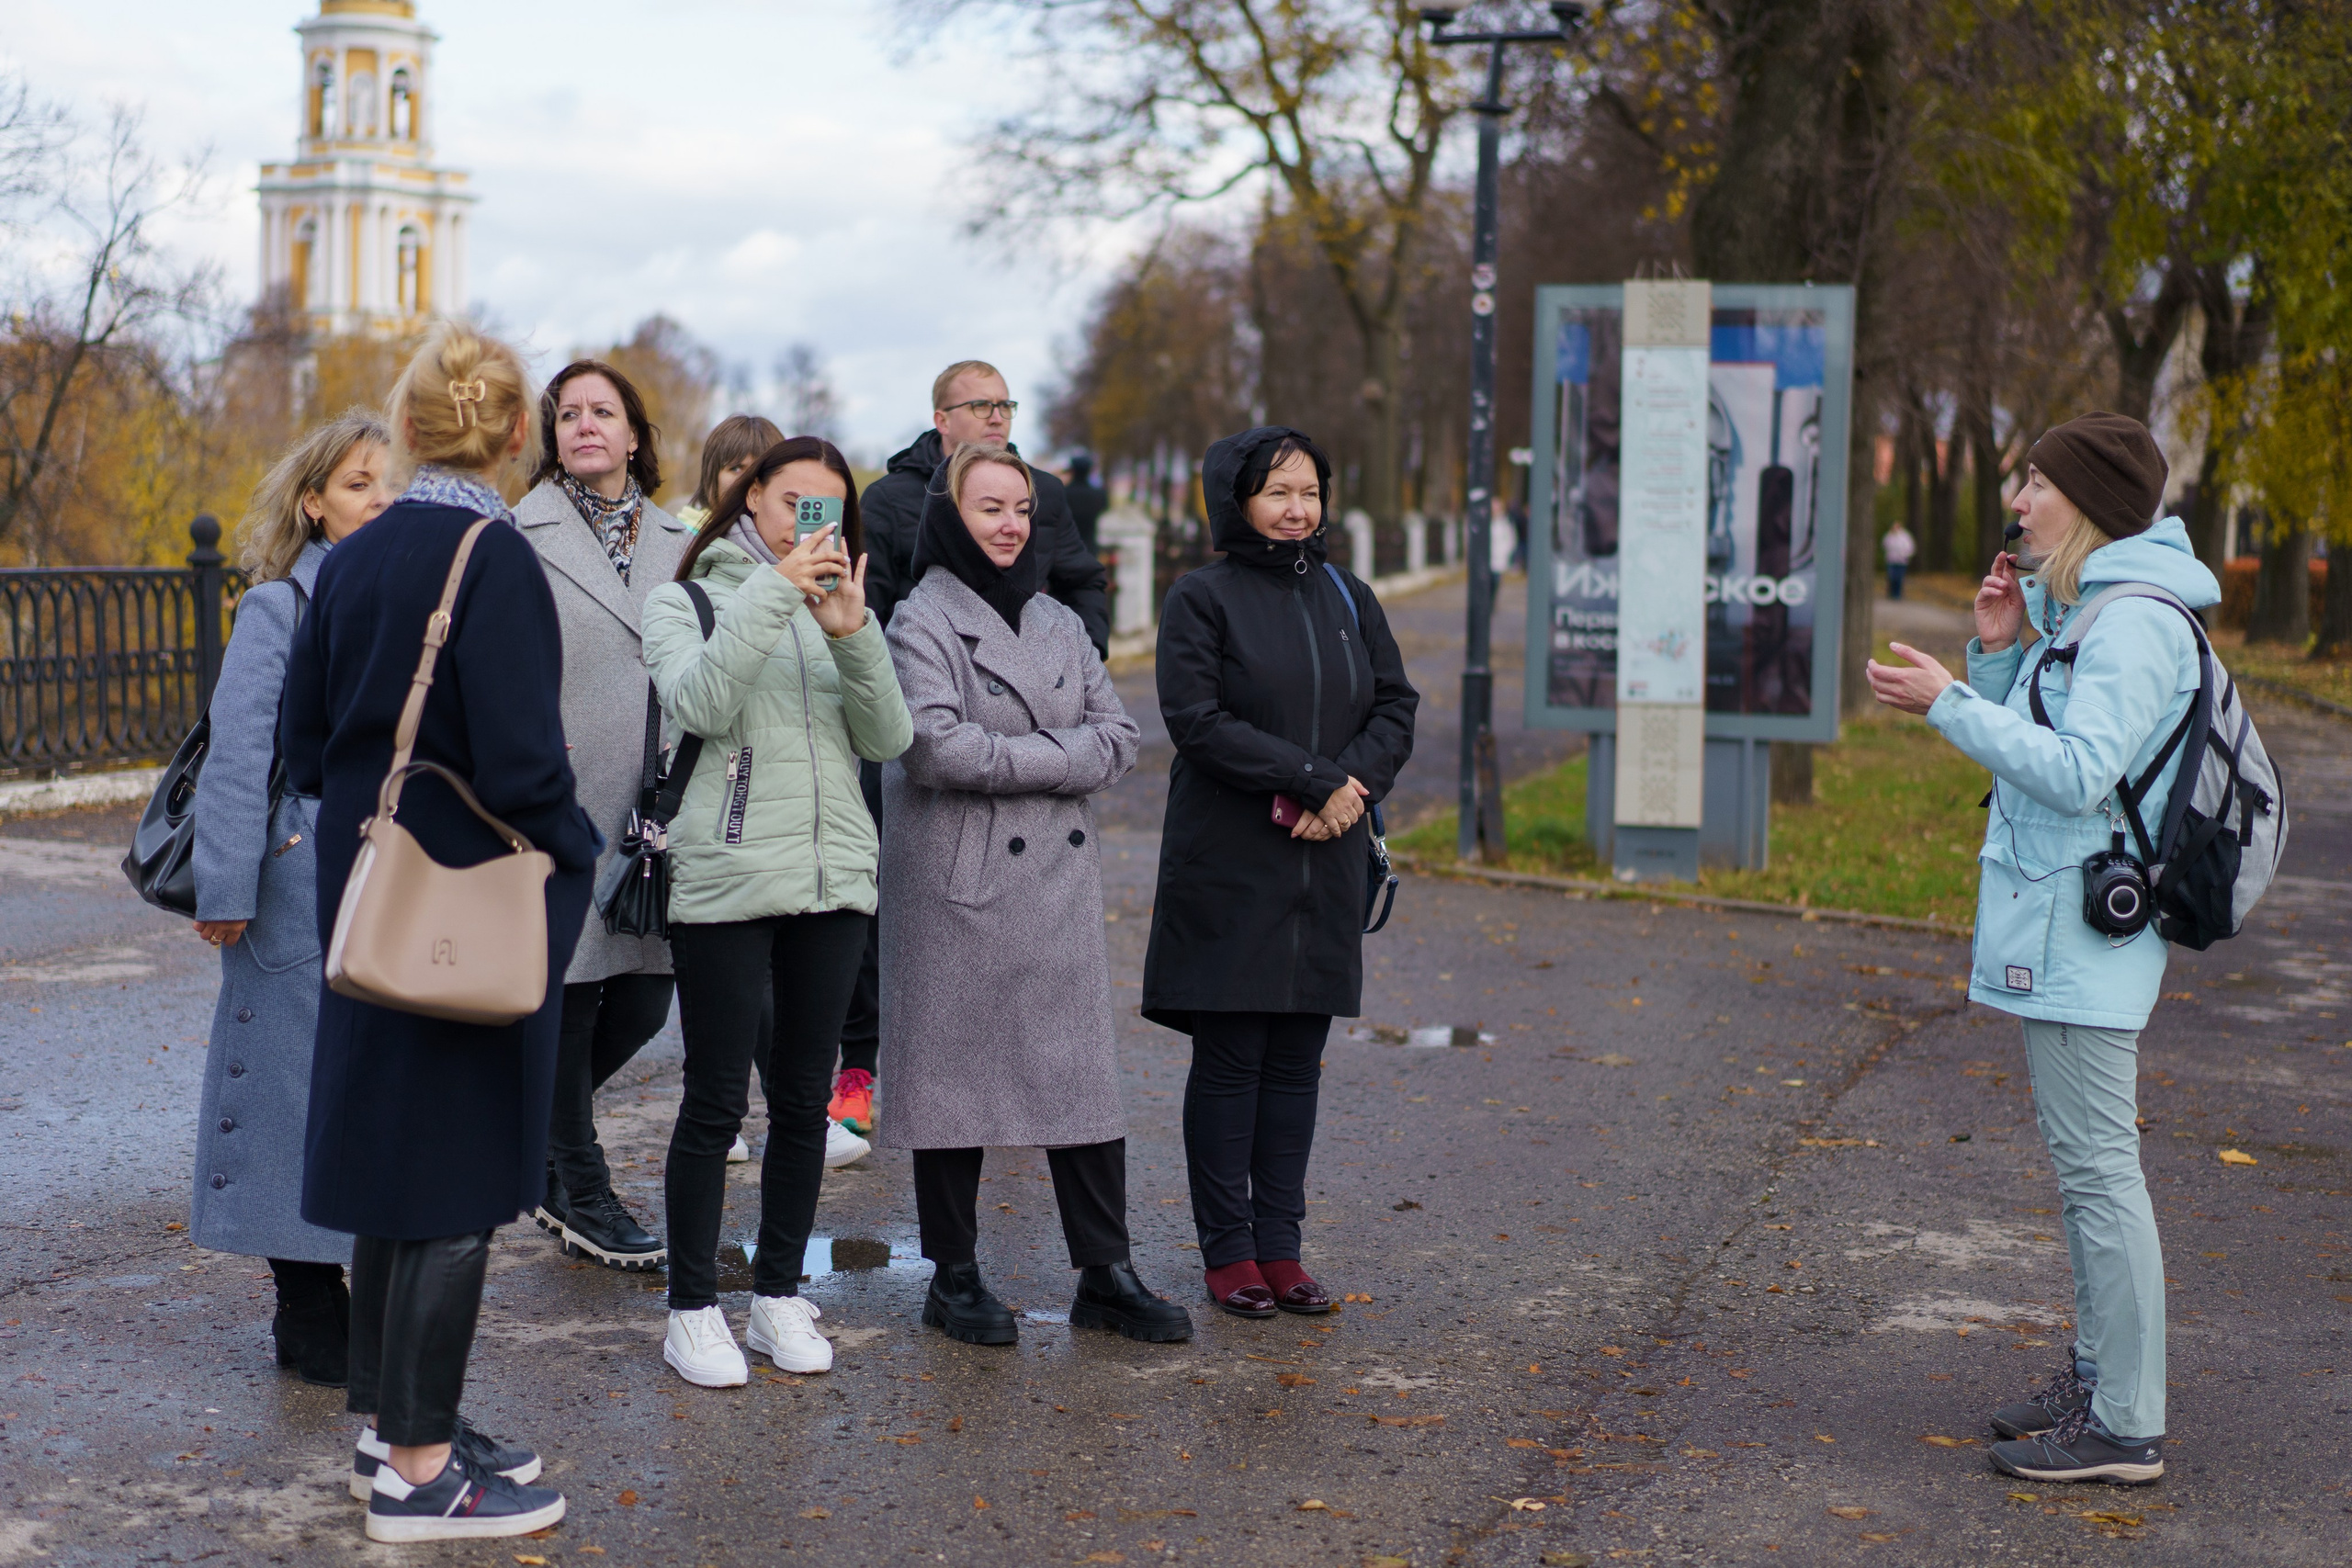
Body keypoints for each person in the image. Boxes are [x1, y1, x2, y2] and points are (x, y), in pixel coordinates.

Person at [284, 322, 596, 1541]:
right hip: (470, 915)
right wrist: (577, 844)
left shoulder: (357, 554)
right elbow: (524, 763)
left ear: (405, 430)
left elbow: (309, 747)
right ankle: (419, 1472)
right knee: (459, 1181)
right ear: (519, 434)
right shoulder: (497, 556)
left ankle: (392, 1424)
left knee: (392, 1172)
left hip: (370, 899)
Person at [1866, 412, 2211, 1486]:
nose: (2017, 498)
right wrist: (2002, 649)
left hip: (2087, 932)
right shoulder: (2090, 610)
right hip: (2063, 923)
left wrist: (1949, 700)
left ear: (2091, 500)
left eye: (2036, 481)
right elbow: (2054, 748)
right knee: (2083, 1175)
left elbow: (2071, 772)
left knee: (2102, 1175)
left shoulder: (2133, 624)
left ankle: (2125, 1424)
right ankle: (2100, 1381)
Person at [879, 444, 1190, 1348]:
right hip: (960, 882)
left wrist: (1028, 755)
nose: (1010, 525)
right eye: (989, 509)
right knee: (955, 1082)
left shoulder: (1056, 618)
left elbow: (1121, 735)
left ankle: (1106, 1271)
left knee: (1079, 1076)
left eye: (1019, 508)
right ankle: (954, 1275)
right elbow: (935, 748)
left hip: (1053, 883)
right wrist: (1062, 760)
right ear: (952, 518)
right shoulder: (920, 620)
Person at [642, 436, 912, 1389]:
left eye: (829, 508)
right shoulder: (688, 601)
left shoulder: (836, 609)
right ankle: (690, 1310)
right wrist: (773, 594)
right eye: (794, 501)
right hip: (724, 878)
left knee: (804, 1100)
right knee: (715, 1102)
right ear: (749, 501)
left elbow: (889, 737)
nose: (813, 523)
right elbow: (701, 704)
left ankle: (779, 1293)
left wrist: (852, 627)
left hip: (832, 879)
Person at [1141, 427, 1418, 1319]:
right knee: (1232, 1060)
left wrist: (1353, 787)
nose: (1297, 509)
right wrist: (1312, 779)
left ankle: (1282, 1250)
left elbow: (1394, 705)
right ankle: (1228, 1254)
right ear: (1237, 501)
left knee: (1297, 1059)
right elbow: (1196, 718)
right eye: (1277, 492)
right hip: (1231, 861)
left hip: (1325, 859)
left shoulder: (1348, 592)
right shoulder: (1200, 597)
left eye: (1309, 491)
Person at [842, 361, 1114, 1146]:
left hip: (1039, 712)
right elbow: (878, 603)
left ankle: (1085, 1221)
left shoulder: (1046, 495)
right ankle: (860, 1071)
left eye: (1005, 403)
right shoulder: (891, 501)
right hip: (925, 712)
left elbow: (1079, 585)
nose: (997, 415)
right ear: (941, 417)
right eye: (980, 405)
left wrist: (1066, 667)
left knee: (1047, 993)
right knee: (909, 944)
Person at [188, 410, 390, 1388]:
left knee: (370, 1084)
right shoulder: (280, 605)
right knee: (283, 1089)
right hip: (297, 872)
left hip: (396, 869)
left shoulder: (416, 596)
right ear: (314, 502)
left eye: (389, 482)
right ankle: (306, 1301)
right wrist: (225, 883)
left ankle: (362, 1282)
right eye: (358, 482)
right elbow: (237, 755)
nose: (378, 497)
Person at [514, 360, 693, 1272]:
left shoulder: (681, 537)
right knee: (573, 997)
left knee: (646, 992)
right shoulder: (520, 530)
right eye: (568, 413)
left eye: (603, 412)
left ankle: (533, 1136)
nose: (585, 425)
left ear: (633, 436)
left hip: (660, 807)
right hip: (565, 793)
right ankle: (575, 1180)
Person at [674, 413, 784, 534]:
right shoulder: (682, 542)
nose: (748, 481)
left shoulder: (794, 544)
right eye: (736, 469)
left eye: (760, 471)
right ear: (712, 476)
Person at [1064, 450, 1106, 558]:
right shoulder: (1099, 494)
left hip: (1066, 547)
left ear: (1072, 470)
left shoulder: (1063, 493)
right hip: (1090, 547)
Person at [1883, 519, 1917, 599]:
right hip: (1891, 560)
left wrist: (1904, 554)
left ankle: (1897, 595)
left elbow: (1910, 548)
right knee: (1892, 577)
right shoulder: (1889, 536)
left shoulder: (1905, 536)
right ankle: (1891, 593)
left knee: (1899, 578)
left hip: (1902, 561)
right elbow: (1885, 545)